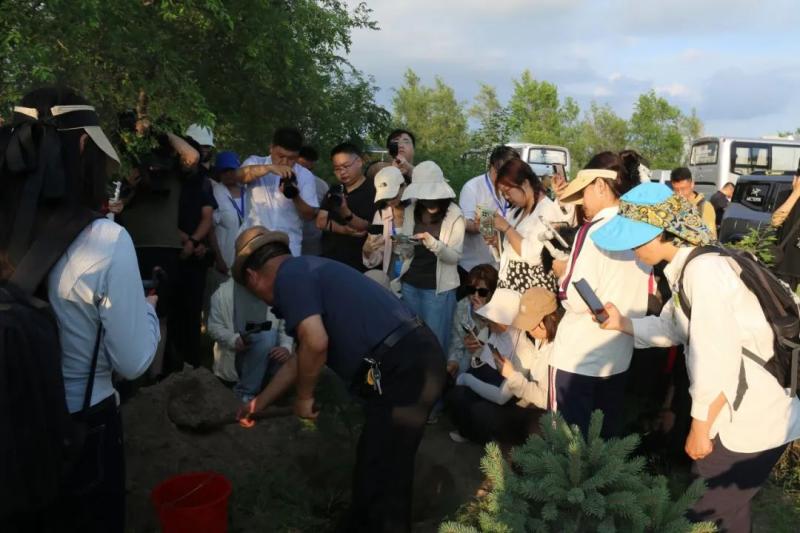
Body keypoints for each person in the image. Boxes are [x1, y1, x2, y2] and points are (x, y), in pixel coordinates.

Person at [593, 182, 800, 532]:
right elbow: (675, 327)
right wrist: (623, 323)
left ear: (663, 231)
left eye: (635, 240)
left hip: (750, 420)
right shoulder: (700, 262)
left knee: (699, 515)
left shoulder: (703, 273)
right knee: (729, 513)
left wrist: (699, 429)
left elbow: (715, 358)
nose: (631, 250)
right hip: (758, 411)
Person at [0, 87, 160, 532]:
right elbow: (133, 362)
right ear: (85, 145)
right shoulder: (105, 240)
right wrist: (148, 312)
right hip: (81, 430)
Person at [232, 226, 446, 532]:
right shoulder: (304, 270)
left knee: (385, 472)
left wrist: (304, 398)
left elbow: (316, 342)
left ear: (252, 277)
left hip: (405, 364)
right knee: (375, 462)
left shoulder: (289, 277)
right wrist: (259, 403)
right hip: (405, 361)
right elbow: (301, 355)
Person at [548, 151, 650, 438]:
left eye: (585, 192)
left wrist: (562, 272)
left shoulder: (593, 231)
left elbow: (573, 297)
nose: (583, 201)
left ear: (601, 186)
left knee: (565, 446)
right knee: (603, 445)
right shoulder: (641, 230)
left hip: (579, 357)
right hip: (617, 357)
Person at [447, 287, 557, 446]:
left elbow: (502, 397)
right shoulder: (492, 335)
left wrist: (467, 379)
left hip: (512, 406)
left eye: (493, 318)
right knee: (457, 395)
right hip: (493, 393)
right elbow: (478, 364)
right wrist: (477, 352)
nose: (488, 322)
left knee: (480, 411)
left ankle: (488, 440)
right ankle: (469, 432)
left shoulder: (525, 350)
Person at [397, 161, 465, 351]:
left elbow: (454, 257)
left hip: (437, 290)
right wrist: (403, 244)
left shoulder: (454, 215)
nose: (428, 200)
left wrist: (433, 244)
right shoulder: (411, 210)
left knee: (435, 344)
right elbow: (406, 253)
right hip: (410, 283)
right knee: (413, 342)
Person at [489, 158, 574, 294]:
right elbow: (511, 250)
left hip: (530, 287)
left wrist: (506, 228)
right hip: (510, 282)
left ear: (525, 183)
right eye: (503, 194)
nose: (506, 197)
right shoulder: (516, 211)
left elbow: (533, 256)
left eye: (507, 191)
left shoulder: (546, 210)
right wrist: (496, 242)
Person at [207, 276, 293, 399]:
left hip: (269, 356)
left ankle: (250, 392)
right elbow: (214, 327)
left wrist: (286, 347)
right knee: (266, 337)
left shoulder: (275, 292)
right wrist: (232, 339)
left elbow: (285, 325)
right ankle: (246, 393)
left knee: (268, 336)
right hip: (236, 356)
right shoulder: (223, 293)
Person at [239, 127, 320, 256]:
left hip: (288, 245)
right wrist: (269, 168)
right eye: (281, 156)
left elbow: (309, 215)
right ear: (271, 148)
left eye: (291, 158)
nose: (285, 162)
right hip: (254, 242)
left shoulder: (305, 175)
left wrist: (295, 196)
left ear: (298, 155)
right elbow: (238, 177)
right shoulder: (255, 162)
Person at [458, 145, 520, 273]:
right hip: (474, 266)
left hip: (502, 264)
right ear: (492, 166)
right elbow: (465, 223)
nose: (504, 178)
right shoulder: (472, 187)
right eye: (500, 172)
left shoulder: (513, 188)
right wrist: (490, 222)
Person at [316, 143, 376, 271]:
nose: (342, 172)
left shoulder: (374, 191)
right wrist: (342, 229)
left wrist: (345, 212)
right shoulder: (335, 190)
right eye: (337, 169)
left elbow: (365, 227)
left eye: (346, 166)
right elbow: (320, 222)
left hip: (358, 264)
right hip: (329, 259)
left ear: (359, 162)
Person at [447, 264, 498, 379]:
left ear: (492, 293)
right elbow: (456, 344)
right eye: (471, 290)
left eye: (482, 292)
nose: (475, 296)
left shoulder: (499, 313)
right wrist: (453, 362)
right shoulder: (462, 308)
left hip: (493, 364)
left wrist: (484, 315)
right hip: (468, 361)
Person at [362, 166, 409, 288]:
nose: (390, 202)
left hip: (418, 271)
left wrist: (399, 240)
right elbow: (377, 255)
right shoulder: (381, 213)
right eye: (385, 198)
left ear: (404, 186)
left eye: (393, 196)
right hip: (393, 269)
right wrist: (367, 251)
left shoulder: (419, 207)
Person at [209, 151, 245, 276]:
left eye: (232, 170)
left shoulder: (249, 191)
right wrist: (219, 259)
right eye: (225, 171)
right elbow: (210, 230)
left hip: (248, 260)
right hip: (226, 261)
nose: (229, 174)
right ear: (219, 173)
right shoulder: (215, 193)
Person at [297, 145, 329, 256]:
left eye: (307, 169)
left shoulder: (321, 185)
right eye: (300, 167)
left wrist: (315, 212)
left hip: (311, 243)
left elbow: (328, 213)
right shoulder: (281, 181)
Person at [771, 167, 800, 290]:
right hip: (785, 265)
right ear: (795, 179)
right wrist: (796, 193)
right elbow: (775, 221)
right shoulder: (785, 196)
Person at [669, 167, 717, 239]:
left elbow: (710, 237)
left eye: (683, 189)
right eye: (676, 190)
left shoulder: (704, 207)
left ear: (692, 184)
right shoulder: (672, 204)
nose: (680, 194)